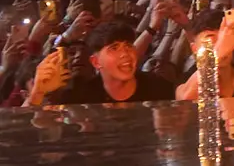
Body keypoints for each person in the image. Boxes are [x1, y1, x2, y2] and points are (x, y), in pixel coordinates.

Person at [27, 21, 175, 105]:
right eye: (114, 48)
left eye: (128, 46)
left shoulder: (158, 88)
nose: (125, 54)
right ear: (96, 62)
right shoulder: (79, 98)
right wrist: (38, 93)